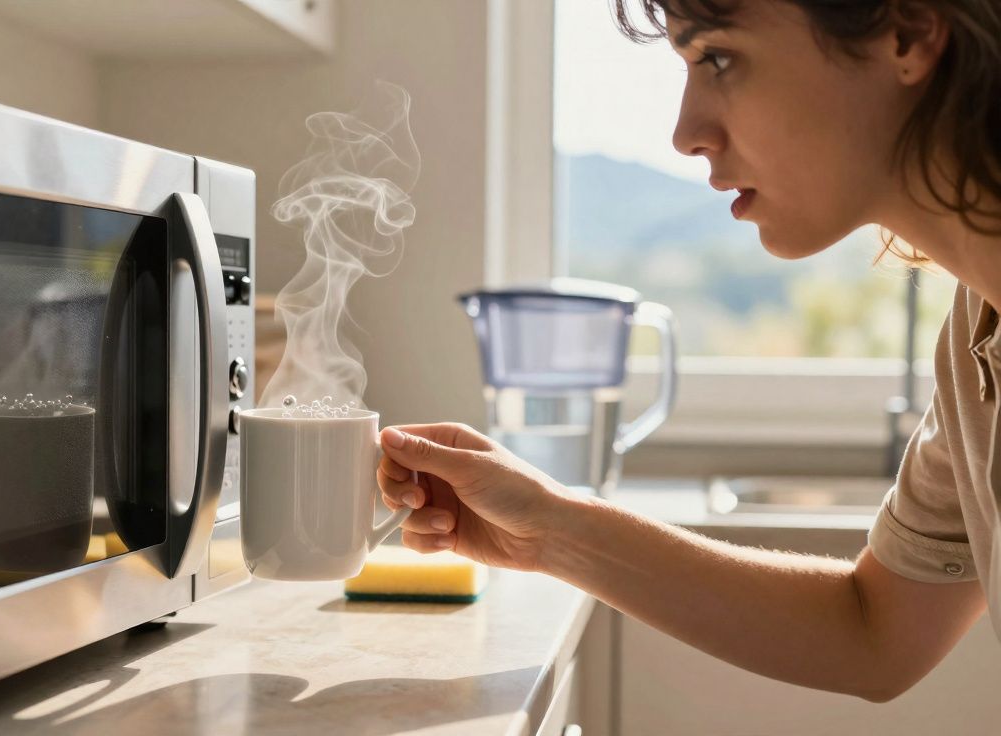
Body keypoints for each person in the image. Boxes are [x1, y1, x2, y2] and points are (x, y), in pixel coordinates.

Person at [378, 0, 1000, 702]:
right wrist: (548, 532)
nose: (684, 133)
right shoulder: (976, 329)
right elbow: (874, 631)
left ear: (908, 34)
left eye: (719, 58)